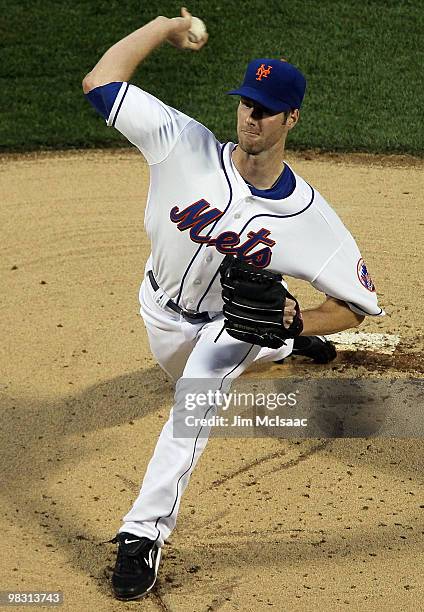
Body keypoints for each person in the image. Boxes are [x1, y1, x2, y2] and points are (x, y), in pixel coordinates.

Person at [82, 7, 383, 601]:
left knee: (195, 401)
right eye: (247, 102)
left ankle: (141, 533)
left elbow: (358, 304)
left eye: (267, 108)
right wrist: (166, 26)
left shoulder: (312, 219)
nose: (252, 116)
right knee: (255, 339)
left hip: (223, 330)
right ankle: (277, 343)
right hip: (158, 312)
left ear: (291, 118)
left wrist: (301, 317)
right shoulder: (181, 143)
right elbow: (101, 82)